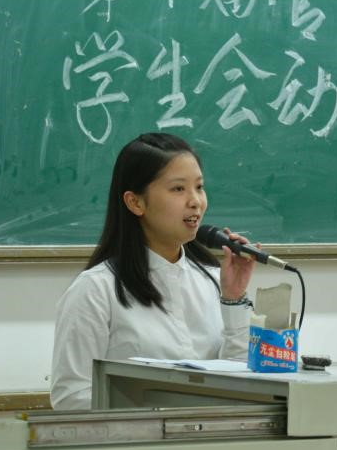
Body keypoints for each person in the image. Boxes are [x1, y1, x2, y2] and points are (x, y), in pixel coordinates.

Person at [50, 133, 256, 410]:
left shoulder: (214, 281)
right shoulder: (95, 290)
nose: (195, 201)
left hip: (212, 445)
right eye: (178, 189)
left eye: (199, 187)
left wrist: (234, 299)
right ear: (136, 202)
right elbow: (70, 396)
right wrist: (152, 422)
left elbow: (239, 381)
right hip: (136, 447)